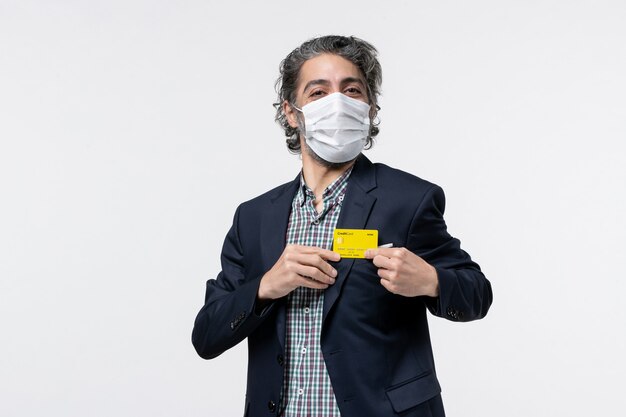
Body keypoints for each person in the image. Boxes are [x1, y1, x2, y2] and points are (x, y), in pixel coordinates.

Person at [192, 35, 493, 417]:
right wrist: (266, 287)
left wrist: (431, 281)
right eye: (319, 92)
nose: (338, 103)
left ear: (368, 108)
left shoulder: (408, 199)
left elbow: (477, 294)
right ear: (291, 111)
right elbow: (206, 336)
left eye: (352, 90)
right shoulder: (254, 218)